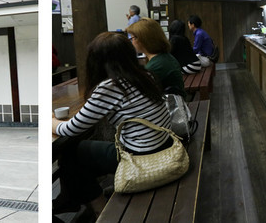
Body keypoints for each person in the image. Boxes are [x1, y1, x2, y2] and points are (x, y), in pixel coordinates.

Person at [52, 32, 172, 217]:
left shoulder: (111, 87)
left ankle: (101, 211)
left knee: (71, 153)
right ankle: (80, 198)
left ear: (96, 61)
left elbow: (70, 129)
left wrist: (49, 121)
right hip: (163, 146)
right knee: (83, 153)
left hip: (140, 157)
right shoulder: (146, 75)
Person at [126, 19, 187, 99]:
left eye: (132, 38)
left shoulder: (157, 65)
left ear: (143, 39)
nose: (131, 41)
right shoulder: (163, 56)